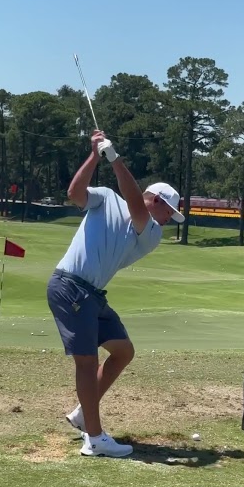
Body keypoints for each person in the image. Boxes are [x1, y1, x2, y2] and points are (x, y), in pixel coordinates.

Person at [50, 130, 185, 457]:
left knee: (123, 351)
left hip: (92, 295)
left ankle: (85, 412)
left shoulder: (150, 233)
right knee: (87, 362)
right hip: (70, 286)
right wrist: (96, 157)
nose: (169, 221)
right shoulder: (107, 198)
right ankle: (94, 439)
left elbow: (136, 207)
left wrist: (115, 159)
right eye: (169, 212)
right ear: (157, 201)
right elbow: (74, 193)